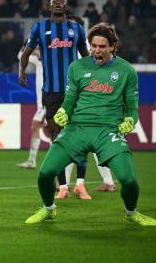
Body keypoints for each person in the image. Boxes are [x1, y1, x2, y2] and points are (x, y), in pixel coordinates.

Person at [25, 23, 156, 226]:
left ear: (112, 46)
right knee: (45, 173)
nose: (96, 51)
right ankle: (49, 209)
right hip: (77, 129)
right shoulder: (77, 67)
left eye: (102, 46)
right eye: (93, 46)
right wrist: (63, 112)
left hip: (108, 131)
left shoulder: (126, 71)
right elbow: (69, 101)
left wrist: (130, 120)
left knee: (129, 180)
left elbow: (132, 108)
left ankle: (131, 213)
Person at [19, 0, 100, 200]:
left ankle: (80, 184)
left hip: (74, 90)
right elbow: (26, 52)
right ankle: (63, 186)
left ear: (66, 7)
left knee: (81, 135)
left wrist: (94, 76)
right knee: (57, 136)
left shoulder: (76, 29)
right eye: (54, 1)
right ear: (49, 7)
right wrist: (21, 72)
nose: (57, 3)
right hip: (51, 92)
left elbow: (86, 55)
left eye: (61, 1)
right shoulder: (40, 28)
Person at [17, 46, 46, 169]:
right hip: (42, 104)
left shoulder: (52, 61)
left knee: (36, 126)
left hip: (50, 101)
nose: (37, 49)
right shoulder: (38, 61)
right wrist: (29, 47)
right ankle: (32, 160)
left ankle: (33, 161)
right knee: (36, 127)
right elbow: (20, 56)